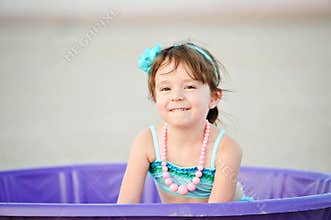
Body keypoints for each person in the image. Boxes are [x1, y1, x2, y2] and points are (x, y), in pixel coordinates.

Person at [117, 42, 253, 203]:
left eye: (189, 86)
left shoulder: (226, 149)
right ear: (155, 97)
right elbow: (126, 207)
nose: (177, 96)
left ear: (213, 97)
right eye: (166, 89)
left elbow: (217, 215)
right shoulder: (147, 142)